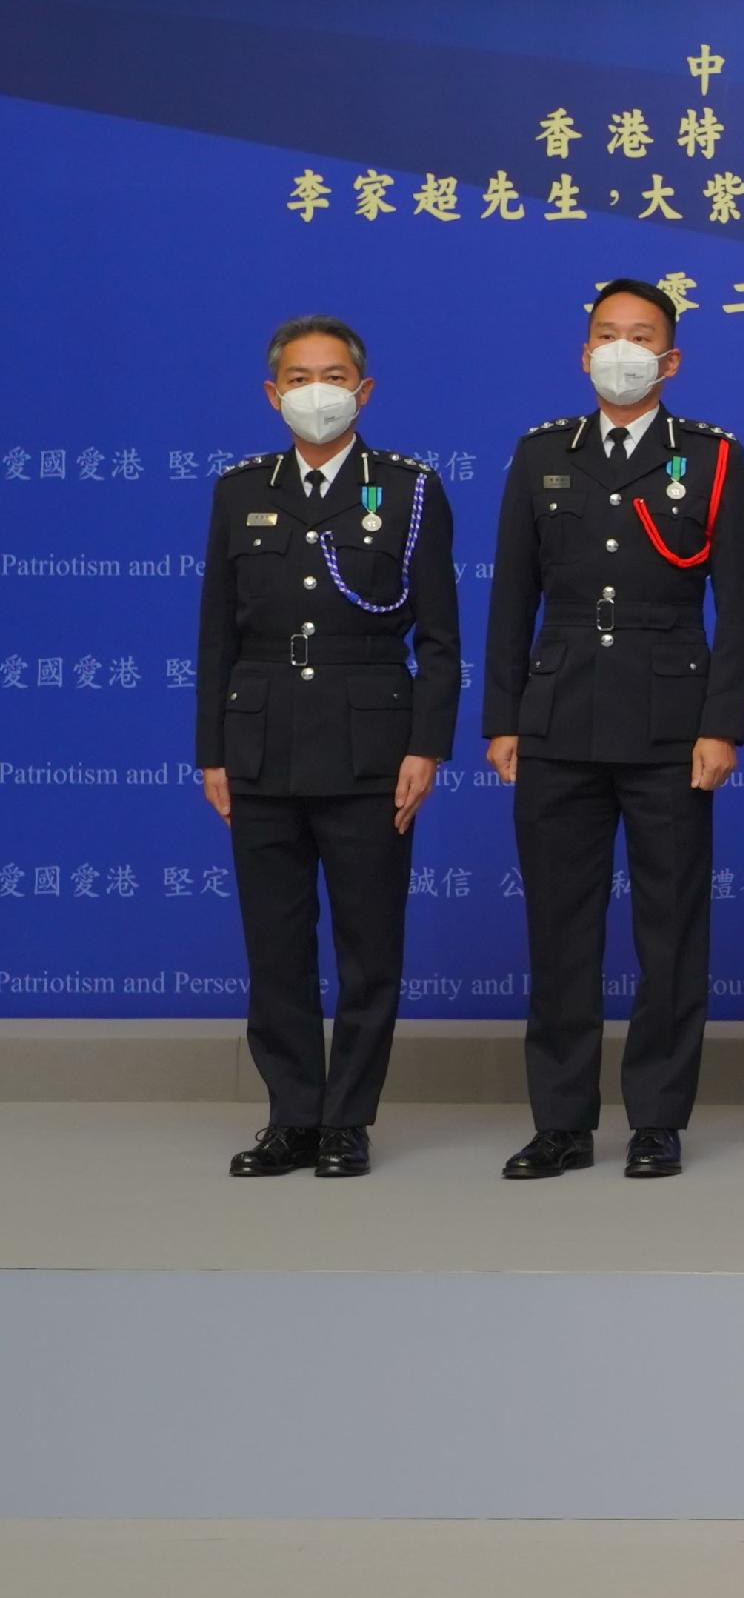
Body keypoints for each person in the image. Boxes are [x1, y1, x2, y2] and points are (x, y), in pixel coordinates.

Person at [482, 278, 744, 1183]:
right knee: (559, 929)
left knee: (669, 931)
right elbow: (510, 600)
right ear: (583, 351)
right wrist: (502, 720)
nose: (623, 349)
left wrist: (722, 725)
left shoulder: (713, 458)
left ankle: (656, 1119)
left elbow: (743, 607)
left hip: (669, 724)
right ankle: (560, 1121)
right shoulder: (540, 454)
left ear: (671, 359)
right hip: (558, 717)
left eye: (642, 336)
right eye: (607, 334)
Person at [196, 316, 460, 1179]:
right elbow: (214, 637)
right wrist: (213, 751)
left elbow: (441, 640)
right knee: (274, 944)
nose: (318, 391)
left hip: (368, 748)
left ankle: (348, 1119)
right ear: (274, 394)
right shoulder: (240, 489)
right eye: (300, 377)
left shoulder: (410, 488)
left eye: (335, 375)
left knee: (367, 945)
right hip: (262, 743)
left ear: (364, 390)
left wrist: (426, 745)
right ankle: (290, 1117)